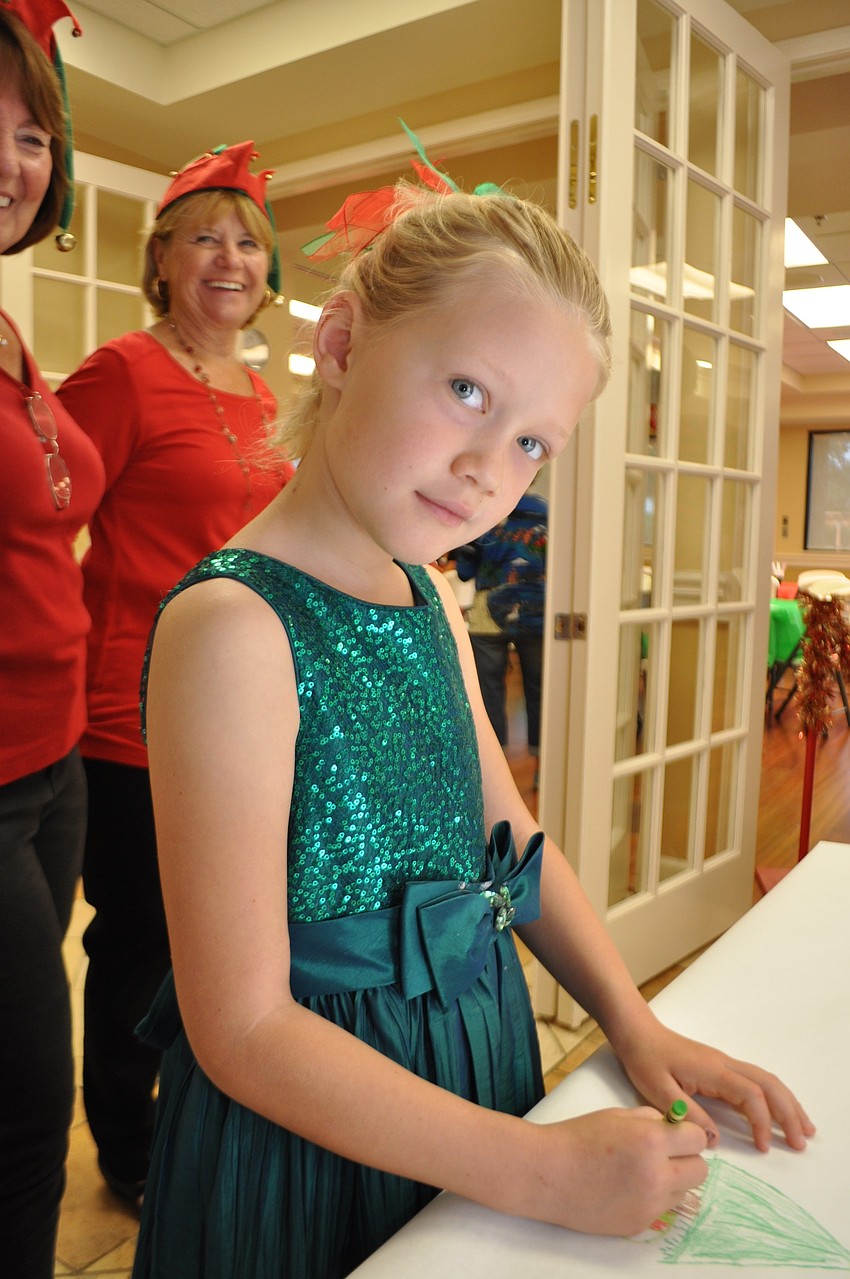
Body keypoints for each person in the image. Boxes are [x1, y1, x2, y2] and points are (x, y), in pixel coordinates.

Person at [132, 151, 814, 1279]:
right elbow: (242, 1028)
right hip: (317, 1137)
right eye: (466, 393)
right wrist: (540, 1171)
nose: (486, 469)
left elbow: (518, 851)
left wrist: (635, 1024)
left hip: (471, 1068)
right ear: (341, 345)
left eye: (532, 441)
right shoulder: (235, 628)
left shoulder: (428, 595)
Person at [56, 141, 294, 1210]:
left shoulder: (263, 387)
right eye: (205, 236)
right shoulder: (121, 371)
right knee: (141, 945)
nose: (229, 258)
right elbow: (47, 518)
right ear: (161, 259)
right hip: (132, 716)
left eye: (248, 240)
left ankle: (208, 1109)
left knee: (232, 933)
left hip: (245, 712)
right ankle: (130, 1146)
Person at [0, 4, 105, 1276]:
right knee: (30, 1107)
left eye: (33, 133)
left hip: (55, 758)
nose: (15, 160)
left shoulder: (16, 334)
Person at [455, 489, 548, 768]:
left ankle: (494, 766)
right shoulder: (547, 512)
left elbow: (464, 570)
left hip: (487, 614)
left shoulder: (482, 508)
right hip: (539, 610)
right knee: (540, 689)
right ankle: (541, 764)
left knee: (489, 691)